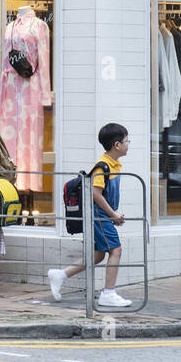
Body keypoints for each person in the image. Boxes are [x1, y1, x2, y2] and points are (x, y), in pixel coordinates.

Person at [47, 123, 132, 308]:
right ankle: (108, 293)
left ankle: (61, 275)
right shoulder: (103, 167)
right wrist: (112, 215)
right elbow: (95, 193)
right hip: (99, 215)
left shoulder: (114, 165)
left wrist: (113, 215)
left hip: (103, 216)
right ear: (117, 145)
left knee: (98, 254)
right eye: (127, 141)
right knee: (115, 250)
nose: (128, 144)